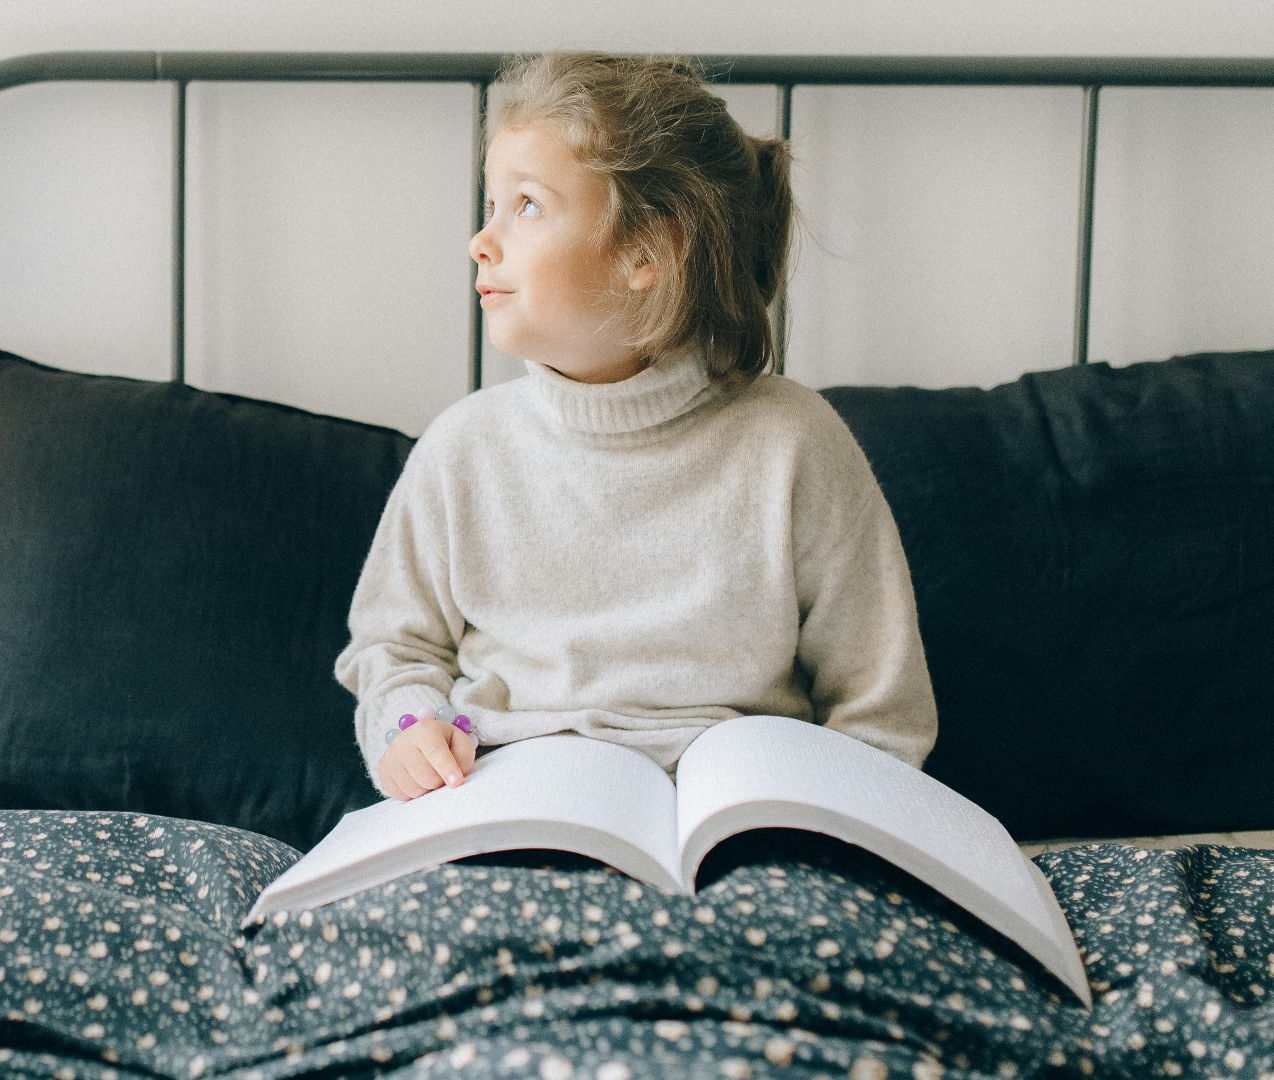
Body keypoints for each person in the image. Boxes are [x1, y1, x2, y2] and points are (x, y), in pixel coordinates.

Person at [334, 50, 938, 802]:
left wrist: (835, 830)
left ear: (646, 251)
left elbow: (879, 708)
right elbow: (395, 647)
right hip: (510, 808)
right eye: (491, 206)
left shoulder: (794, 443)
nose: (479, 241)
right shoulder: (463, 449)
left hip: (742, 828)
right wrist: (409, 730)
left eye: (525, 205)